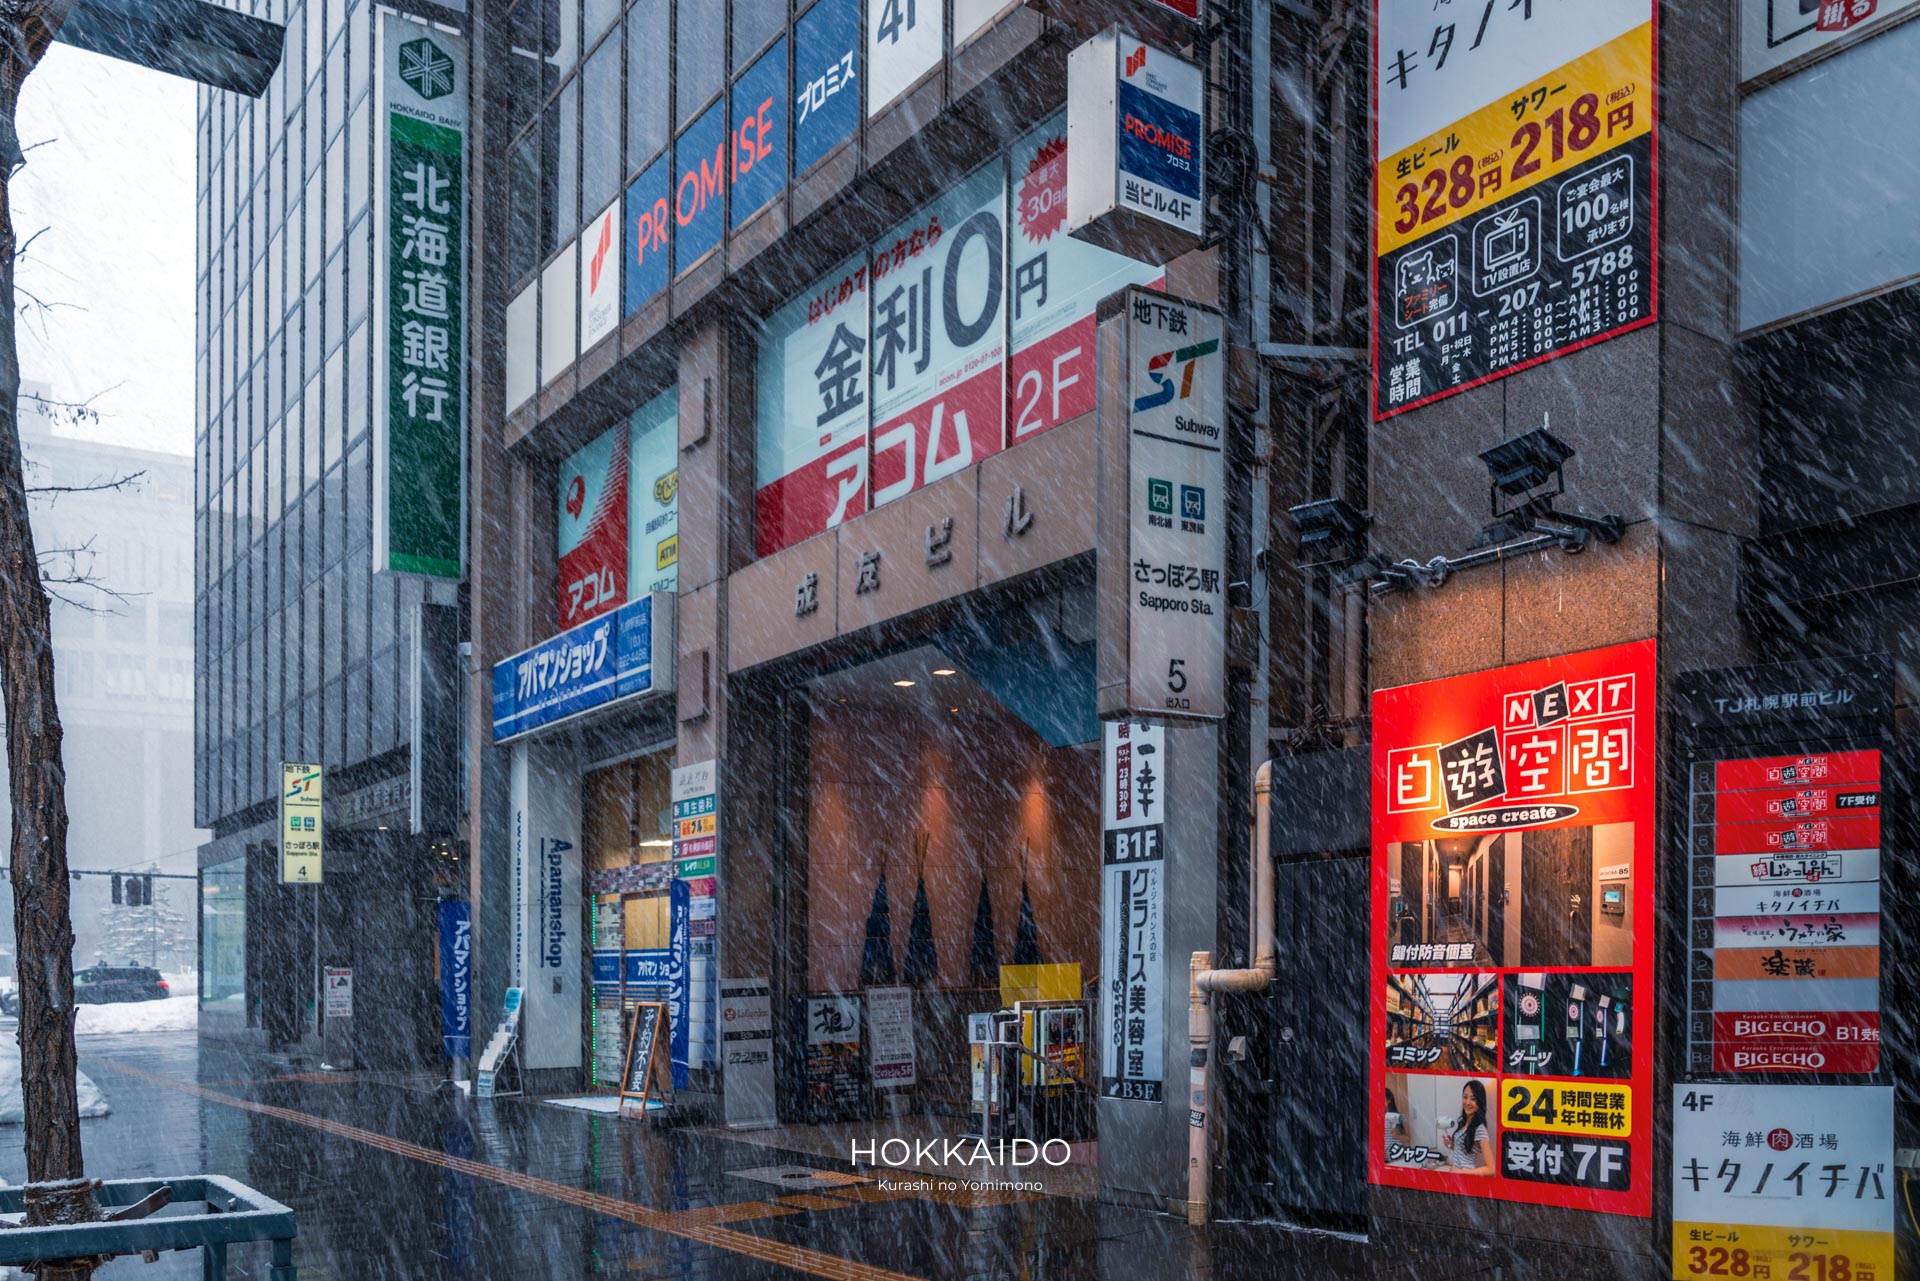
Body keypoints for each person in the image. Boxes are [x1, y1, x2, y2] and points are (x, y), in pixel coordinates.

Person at [1439, 1079, 1494, 1175]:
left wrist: (1461, 1172)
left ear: (1479, 1102)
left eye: (1473, 1099)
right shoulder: (1463, 1123)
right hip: (1455, 1176)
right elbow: (1464, 1153)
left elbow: (1491, 1169)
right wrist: (1452, 1145)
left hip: (1465, 1180)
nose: (1467, 1102)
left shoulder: (1480, 1129)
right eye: (1465, 1097)